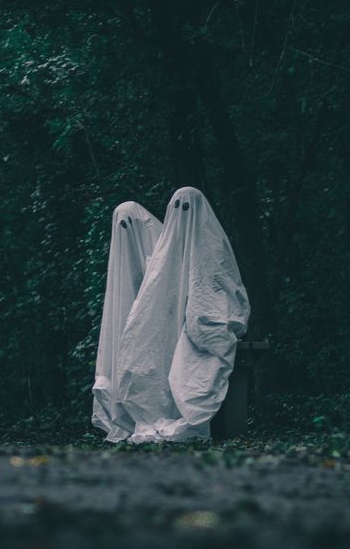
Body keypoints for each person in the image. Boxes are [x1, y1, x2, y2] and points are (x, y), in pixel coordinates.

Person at [115, 187, 250, 443]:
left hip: (205, 324)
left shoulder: (212, 243)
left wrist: (202, 319)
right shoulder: (167, 250)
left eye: (186, 208)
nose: (182, 214)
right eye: (177, 207)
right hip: (176, 327)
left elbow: (220, 285)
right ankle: (161, 412)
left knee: (193, 358)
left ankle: (192, 416)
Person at [91, 201, 162, 442]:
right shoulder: (121, 258)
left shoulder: (160, 244)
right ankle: (127, 415)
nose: (124, 229)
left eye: (128, 223)